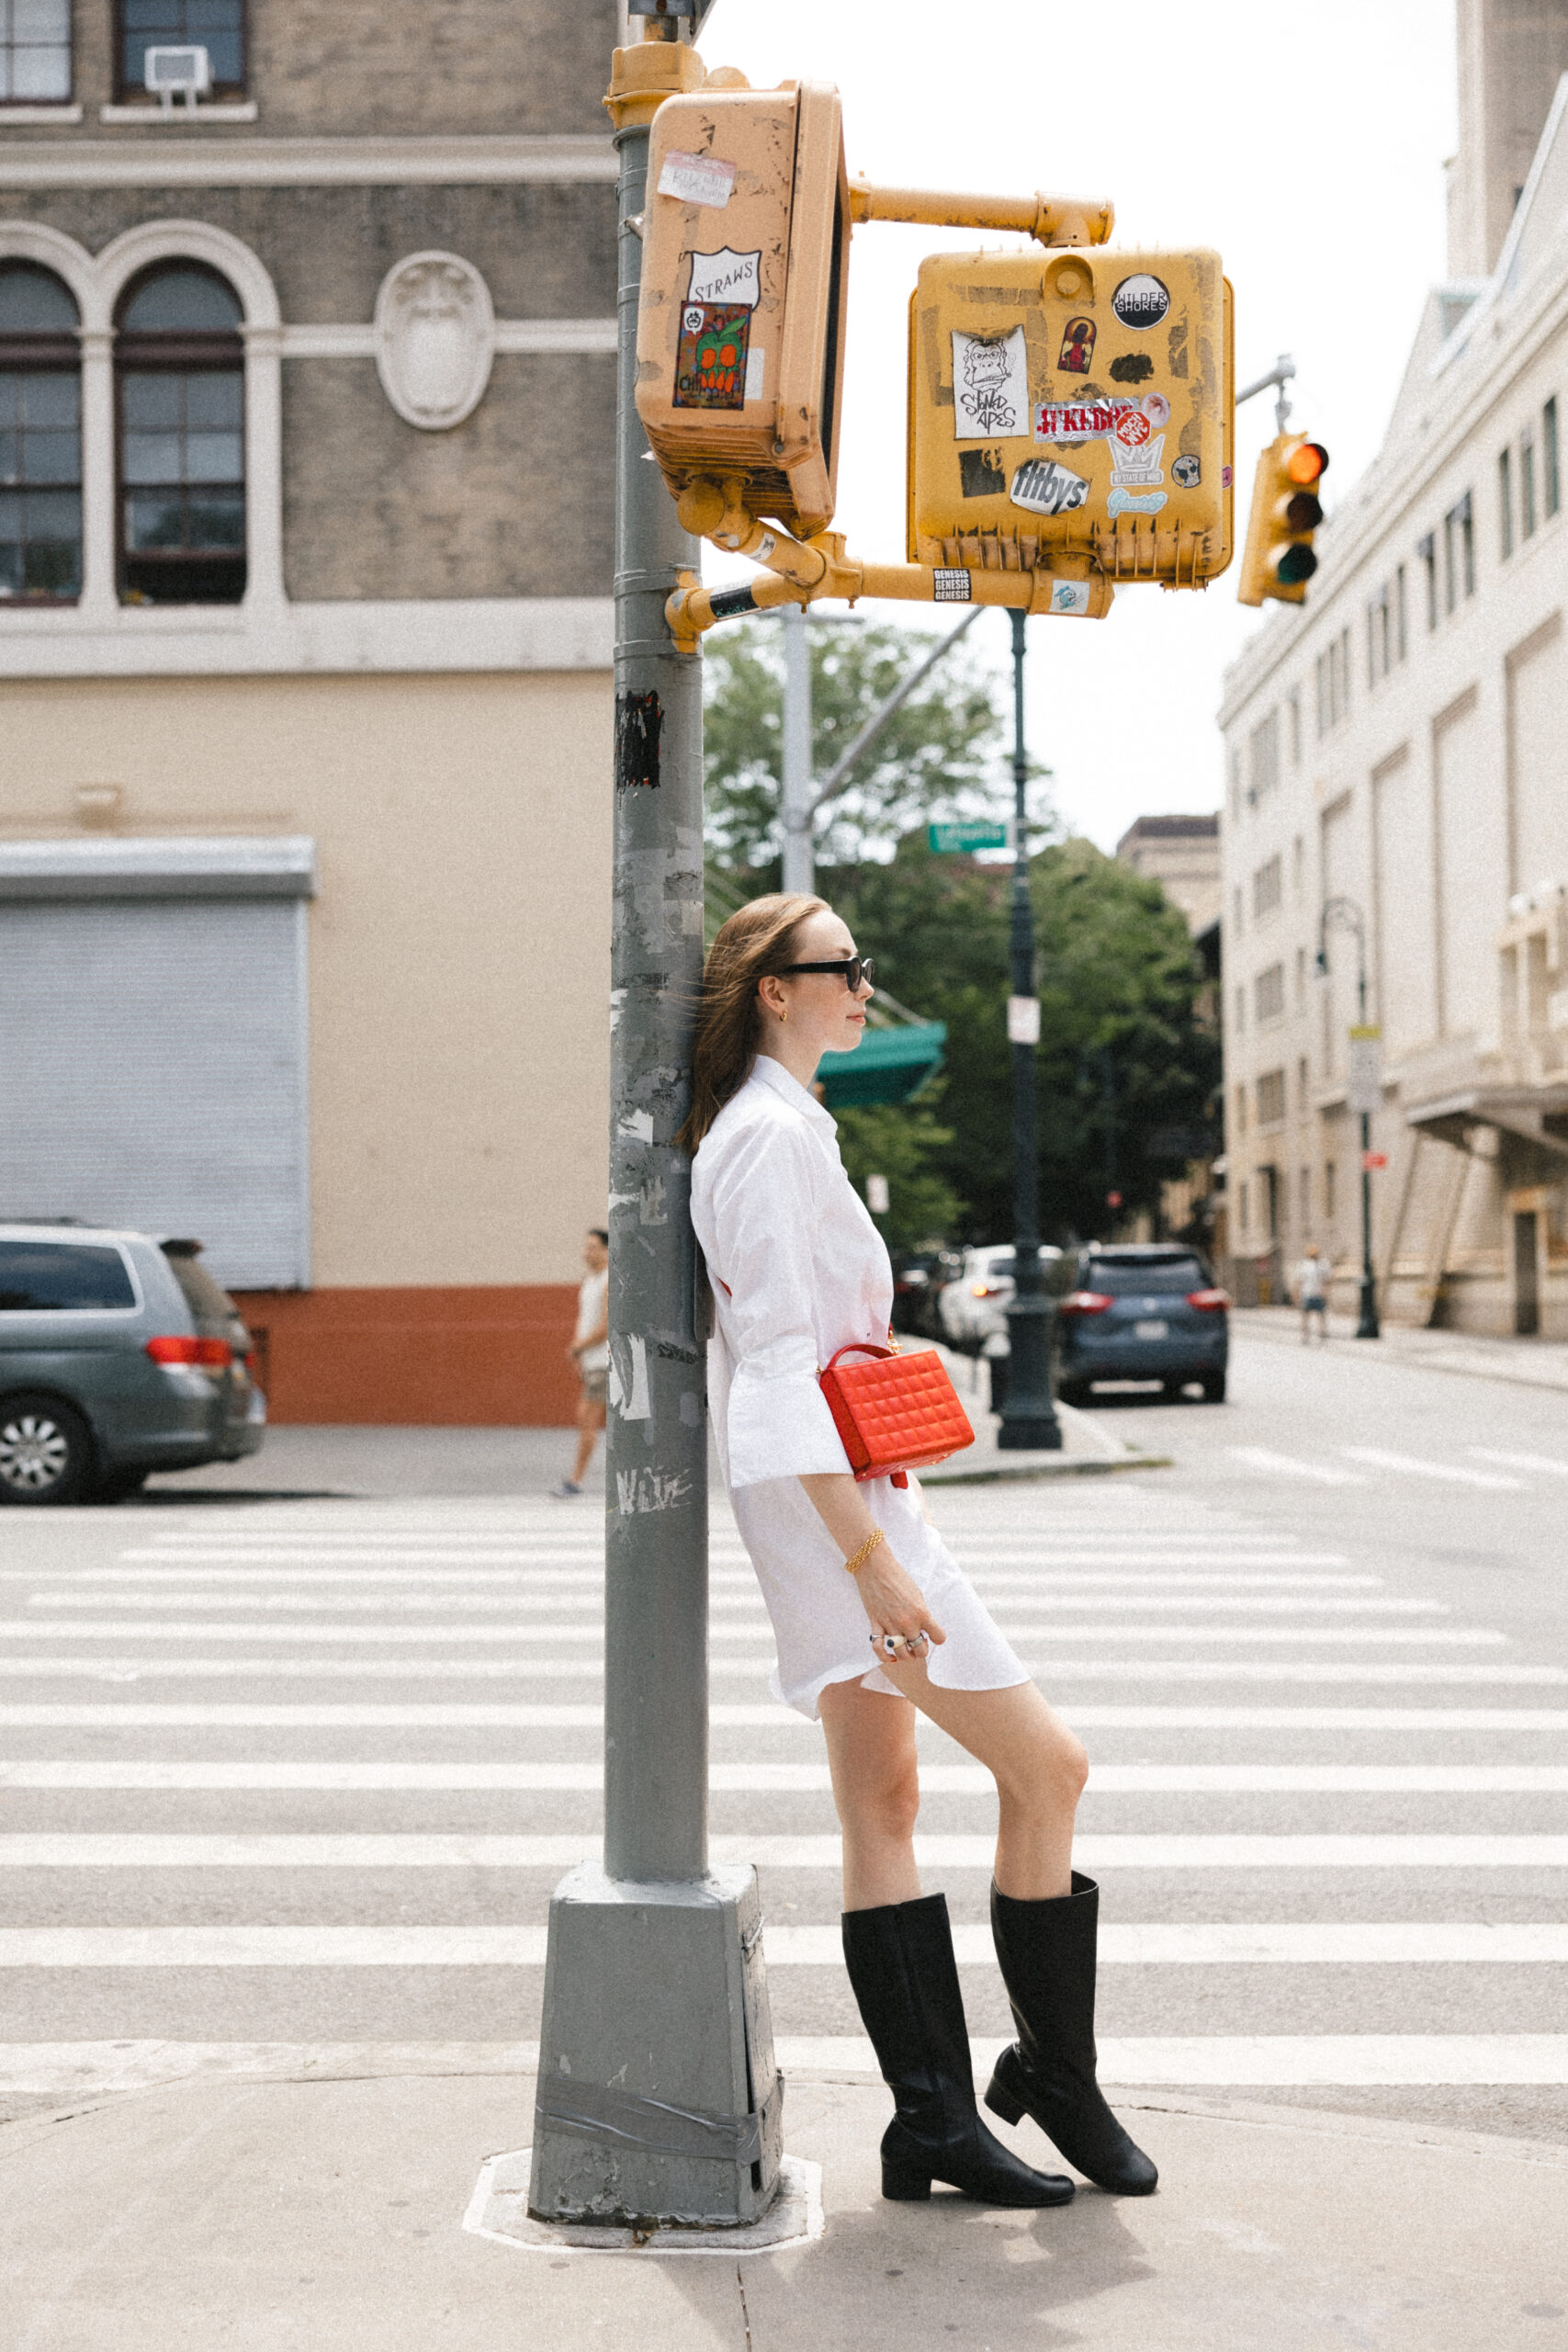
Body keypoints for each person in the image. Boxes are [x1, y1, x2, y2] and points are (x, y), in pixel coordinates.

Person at [683, 893, 1156, 2210]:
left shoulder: (775, 1128)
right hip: (833, 1507)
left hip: (828, 1492)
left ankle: (933, 2126)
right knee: (1047, 1768)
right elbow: (776, 1365)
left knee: (880, 1802)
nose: (861, 985)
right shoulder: (766, 1138)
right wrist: (870, 1560)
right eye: (841, 967)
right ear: (774, 990)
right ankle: (1050, 2077)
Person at [552, 1228, 608, 1498]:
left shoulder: (609, 1280)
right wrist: (579, 1355)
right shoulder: (589, 1280)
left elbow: (607, 1326)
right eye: (585, 1247)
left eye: (592, 1247)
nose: (586, 1252)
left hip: (605, 1362)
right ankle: (577, 1479)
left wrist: (577, 1347)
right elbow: (584, 1320)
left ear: (607, 1250)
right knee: (589, 1419)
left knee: (587, 1418)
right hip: (592, 1361)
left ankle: (576, 1480)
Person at [1297, 1244, 1328, 1343]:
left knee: (1321, 1316)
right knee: (1305, 1316)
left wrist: (1325, 1293)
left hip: (1318, 1294)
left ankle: (1322, 1333)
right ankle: (1305, 1335)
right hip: (1307, 1293)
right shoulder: (1304, 1265)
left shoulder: (1322, 1265)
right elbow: (1299, 1281)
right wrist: (1297, 1295)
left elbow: (1326, 1281)